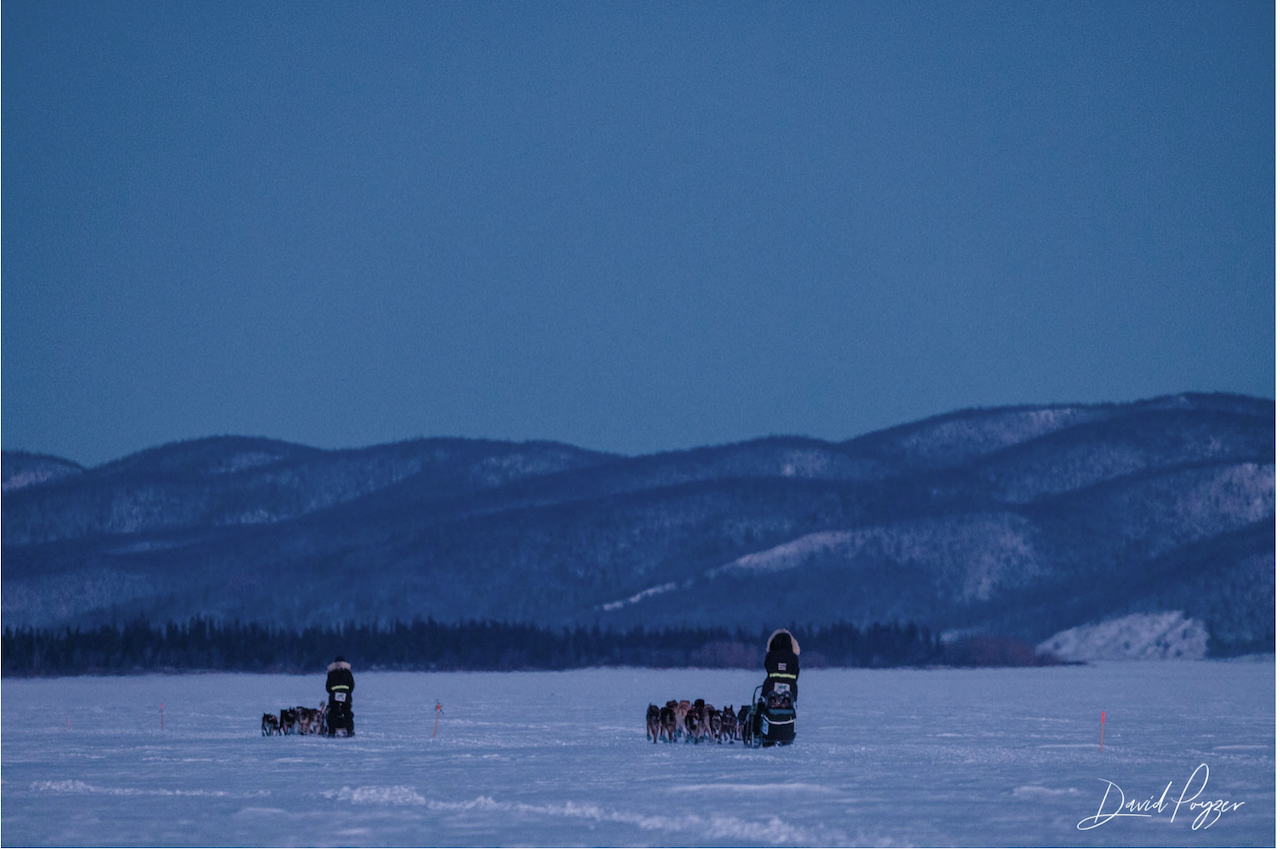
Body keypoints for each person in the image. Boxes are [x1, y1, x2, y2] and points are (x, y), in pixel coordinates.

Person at [761, 628, 799, 705]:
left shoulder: (770, 655)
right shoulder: (794, 657)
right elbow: (796, 672)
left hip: (770, 686)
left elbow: (767, 667)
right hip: (791, 688)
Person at [325, 655, 355, 736]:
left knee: (333, 713)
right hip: (346, 695)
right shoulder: (348, 673)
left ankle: (331, 731)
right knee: (347, 713)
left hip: (334, 696)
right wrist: (347, 692)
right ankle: (350, 730)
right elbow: (352, 685)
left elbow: (328, 687)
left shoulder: (331, 673)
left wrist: (332, 692)